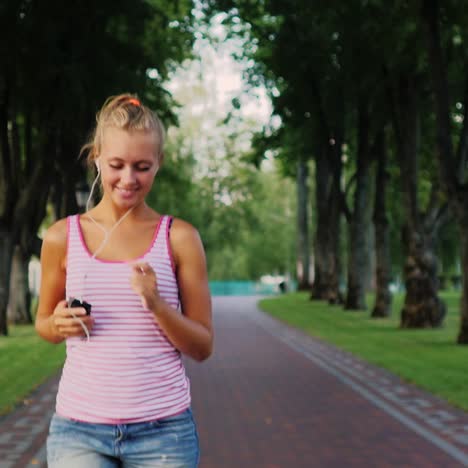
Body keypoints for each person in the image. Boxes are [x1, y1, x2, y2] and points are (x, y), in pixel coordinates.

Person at [35, 93, 213, 467]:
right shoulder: (61, 237)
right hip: (79, 432)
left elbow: (202, 346)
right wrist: (58, 323)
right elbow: (45, 326)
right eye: (116, 164)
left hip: (164, 433)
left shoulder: (179, 238)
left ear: (159, 163)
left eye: (142, 166)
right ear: (96, 155)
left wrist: (157, 304)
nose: (128, 179)